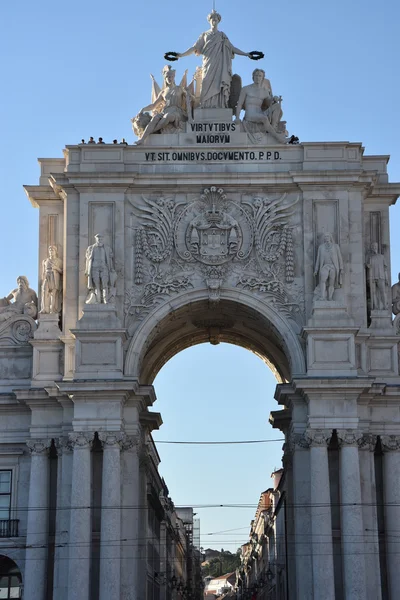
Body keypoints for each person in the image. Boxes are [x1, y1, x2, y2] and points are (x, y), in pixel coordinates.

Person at [175, 10, 253, 109]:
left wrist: (246, 54)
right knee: (206, 81)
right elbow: (194, 48)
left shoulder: (222, 36)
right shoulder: (204, 35)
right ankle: (205, 105)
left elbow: (232, 48)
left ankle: (220, 105)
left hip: (220, 64)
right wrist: (181, 55)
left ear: (218, 21)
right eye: (212, 19)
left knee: (219, 83)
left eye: (216, 19)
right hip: (208, 63)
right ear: (209, 21)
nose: (214, 21)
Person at [134, 65, 190, 145]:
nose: (170, 78)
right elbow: (153, 105)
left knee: (167, 116)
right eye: (168, 77)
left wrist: (188, 93)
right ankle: (142, 139)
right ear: (165, 78)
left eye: (171, 76)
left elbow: (190, 99)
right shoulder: (163, 92)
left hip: (177, 112)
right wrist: (143, 109)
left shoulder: (180, 88)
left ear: (174, 77)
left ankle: (152, 131)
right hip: (165, 111)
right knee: (154, 119)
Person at [235, 69, 287, 143]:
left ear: (262, 78)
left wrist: (274, 99)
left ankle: (273, 127)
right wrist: (237, 117)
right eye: (256, 75)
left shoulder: (264, 91)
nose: (257, 77)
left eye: (260, 76)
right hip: (250, 114)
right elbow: (239, 104)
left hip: (260, 113)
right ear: (252, 77)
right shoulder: (246, 89)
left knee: (277, 106)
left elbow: (270, 103)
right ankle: (278, 137)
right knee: (264, 118)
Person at [85, 234, 116, 304]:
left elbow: (110, 259)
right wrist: (87, 270)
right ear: (96, 239)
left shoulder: (107, 248)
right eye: (98, 239)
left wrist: (111, 268)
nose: (99, 240)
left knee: (105, 285)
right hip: (94, 268)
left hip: (104, 268)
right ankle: (98, 300)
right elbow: (88, 259)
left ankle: (106, 300)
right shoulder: (91, 248)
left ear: (103, 239)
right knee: (97, 285)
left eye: (101, 239)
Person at [314, 233, 344, 301]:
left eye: (327, 236)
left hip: (333, 267)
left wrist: (341, 268)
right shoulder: (321, 247)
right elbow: (318, 259)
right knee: (323, 279)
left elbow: (340, 258)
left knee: (331, 283)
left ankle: (330, 297)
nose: (326, 237)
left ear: (330, 237)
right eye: (325, 237)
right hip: (325, 266)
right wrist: (316, 270)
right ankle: (322, 296)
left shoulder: (336, 246)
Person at [40, 246, 63, 314]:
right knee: (44, 291)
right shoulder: (45, 261)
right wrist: (43, 279)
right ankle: (44, 308)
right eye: (50, 250)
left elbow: (62, 271)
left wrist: (56, 268)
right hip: (47, 277)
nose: (51, 251)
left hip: (55, 277)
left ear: (56, 252)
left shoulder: (59, 261)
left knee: (54, 294)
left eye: (52, 250)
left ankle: (52, 309)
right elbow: (43, 272)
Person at [367, 242, 388, 310]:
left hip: (381, 276)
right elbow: (368, 267)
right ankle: (375, 307)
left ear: (377, 247)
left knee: (382, 292)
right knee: (373, 293)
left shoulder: (382, 257)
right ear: (371, 248)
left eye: (375, 246)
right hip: (372, 277)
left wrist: (386, 278)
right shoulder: (370, 258)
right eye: (373, 246)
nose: (374, 247)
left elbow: (385, 269)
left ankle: (385, 306)